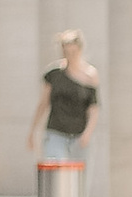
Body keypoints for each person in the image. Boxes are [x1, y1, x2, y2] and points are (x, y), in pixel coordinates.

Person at [31, 30, 103, 173]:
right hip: (56, 131)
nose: (70, 55)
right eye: (66, 52)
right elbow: (43, 103)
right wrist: (33, 130)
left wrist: (87, 133)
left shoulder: (90, 75)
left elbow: (94, 108)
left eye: (73, 52)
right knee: (56, 173)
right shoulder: (54, 74)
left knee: (79, 178)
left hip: (79, 134)